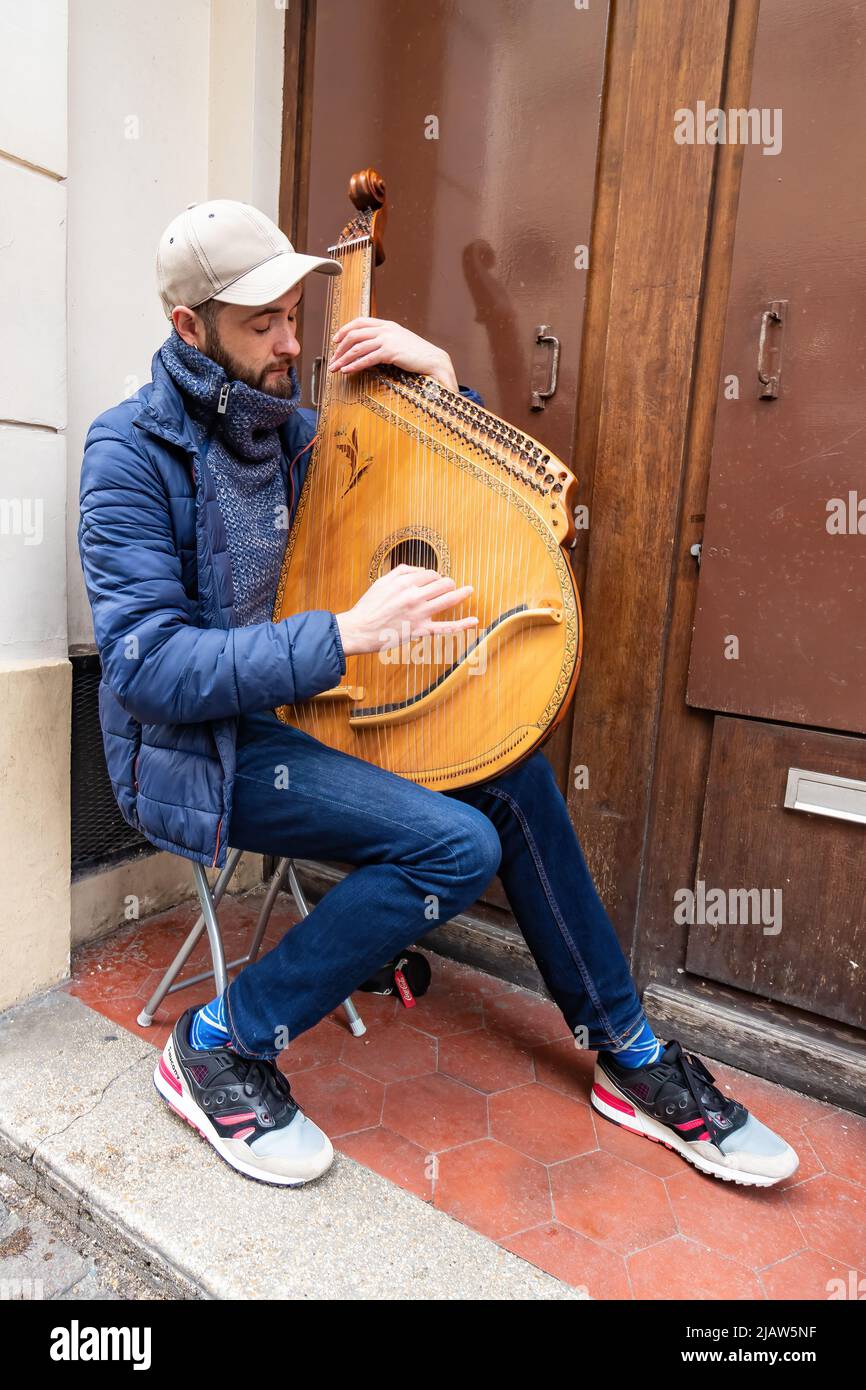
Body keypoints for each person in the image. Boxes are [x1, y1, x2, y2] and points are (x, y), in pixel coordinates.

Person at [78, 199, 798, 1190]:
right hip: (204, 751)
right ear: (187, 330)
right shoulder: (126, 453)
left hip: (306, 709)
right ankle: (219, 1043)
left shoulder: (291, 429)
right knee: (455, 845)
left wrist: (441, 377)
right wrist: (346, 635)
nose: (294, 343)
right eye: (263, 325)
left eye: (296, 314)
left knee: (512, 774)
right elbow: (147, 666)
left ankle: (628, 1054)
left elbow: (444, 487)